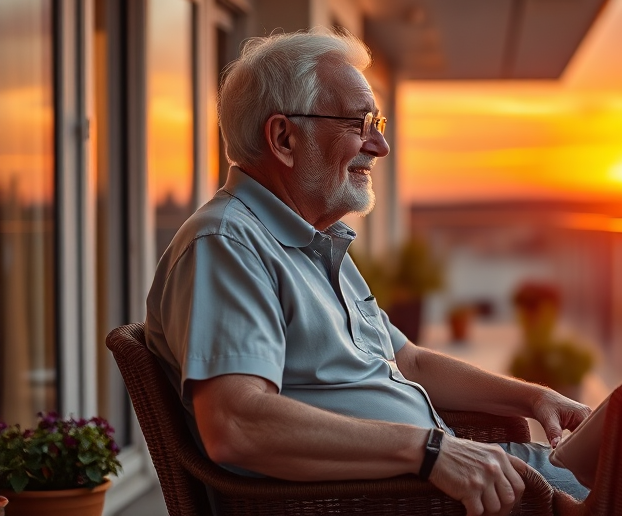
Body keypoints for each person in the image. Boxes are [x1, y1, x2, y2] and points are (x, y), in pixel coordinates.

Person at [144, 28, 590, 516]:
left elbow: (410, 362)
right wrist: (430, 452)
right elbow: (235, 424)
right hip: (405, 498)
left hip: (448, 476)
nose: (379, 145)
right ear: (284, 138)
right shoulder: (227, 245)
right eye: (359, 123)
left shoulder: (313, 241)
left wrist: (534, 397)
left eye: (376, 122)